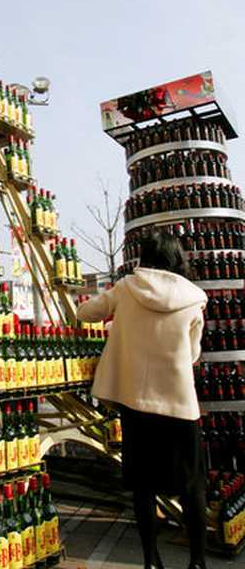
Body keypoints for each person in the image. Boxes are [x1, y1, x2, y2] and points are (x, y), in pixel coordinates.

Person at [76, 230, 207, 569]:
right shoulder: (194, 298)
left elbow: (86, 313)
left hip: (135, 405)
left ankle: (150, 560)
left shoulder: (126, 288)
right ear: (178, 258)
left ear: (143, 257)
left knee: (143, 488)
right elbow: (193, 354)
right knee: (192, 486)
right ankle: (197, 562)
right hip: (179, 405)